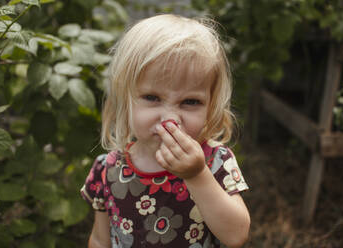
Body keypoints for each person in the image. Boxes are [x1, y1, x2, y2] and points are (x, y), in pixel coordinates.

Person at [81, 14, 250, 248]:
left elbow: (236, 236)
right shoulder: (108, 169)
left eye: (190, 102)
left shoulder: (214, 162)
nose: (170, 119)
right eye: (152, 98)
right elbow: (100, 240)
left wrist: (196, 175)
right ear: (125, 100)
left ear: (210, 106)